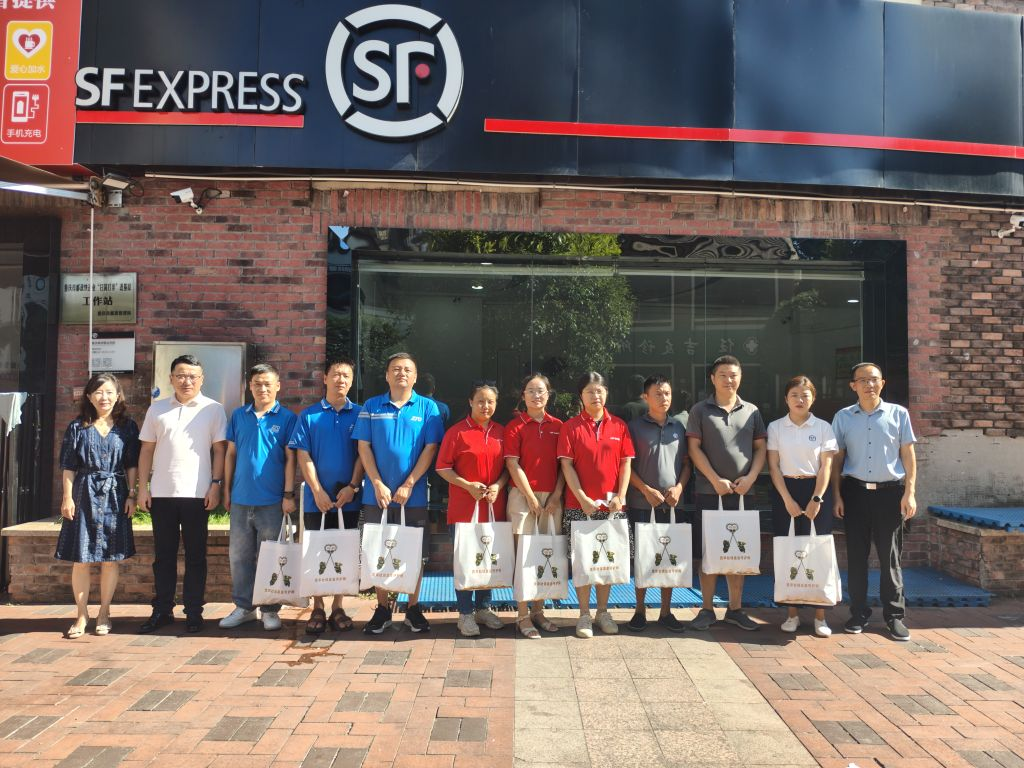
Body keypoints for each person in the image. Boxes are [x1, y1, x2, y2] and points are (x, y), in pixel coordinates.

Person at [355, 352, 444, 634]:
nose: (401, 373)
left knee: (414, 553)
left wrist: (409, 484)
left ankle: (412, 608)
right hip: (376, 495)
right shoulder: (371, 405)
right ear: (386, 375)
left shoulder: (428, 408)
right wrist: (377, 483)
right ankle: (382, 609)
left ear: (415, 377)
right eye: (395, 369)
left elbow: (431, 448)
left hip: (413, 496)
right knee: (377, 551)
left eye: (407, 369)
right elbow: (363, 447)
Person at [137, 355, 227, 634]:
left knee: (196, 557)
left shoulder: (213, 409)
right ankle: (162, 610)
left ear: (201, 379)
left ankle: (194, 611)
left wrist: (216, 484)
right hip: (161, 493)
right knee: (163, 556)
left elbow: (220, 450)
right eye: (181, 375)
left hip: (198, 494)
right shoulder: (157, 409)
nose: (186, 381)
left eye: (192, 376)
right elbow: (147, 449)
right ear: (171, 378)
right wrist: (142, 488)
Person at [831, 362, 917, 641]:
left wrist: (910, 492)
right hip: (854, 493)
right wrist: (836, 495)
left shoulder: (898, 414)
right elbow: (837, 460)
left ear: (883, 383)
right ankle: (858, 613)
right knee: (856, 557)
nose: (869, 384)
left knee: (890, 558)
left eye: (874, 379)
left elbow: (908, 456)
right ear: (852, 385)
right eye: (863, 380)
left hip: (890, 494)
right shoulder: (843, 417)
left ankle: (894, 616)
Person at [55, 373, 140, 638]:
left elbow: (132, 464)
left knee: (110, 559)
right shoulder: (77, 427)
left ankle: (104, 612)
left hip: (116, 495)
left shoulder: (127, 427)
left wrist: (132, 495)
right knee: (81, 559)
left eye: (109, 392)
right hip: (84, 494)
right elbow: (68, 466)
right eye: (99, 392)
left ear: (118, 396)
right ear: (89, 397)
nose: (104, 397)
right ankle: (81, 614)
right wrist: (67, 497)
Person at [686, 355, 767, 632]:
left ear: (740, 378)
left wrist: (751, 478)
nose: (728, 380)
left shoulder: (752, 411)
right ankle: (707, 609)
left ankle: (735, 609)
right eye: (722, 375)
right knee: (708, 552)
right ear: (712, 378)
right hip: (709, 492)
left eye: (733, 375)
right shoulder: (699, 410)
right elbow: (694, 449)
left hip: (744, 493)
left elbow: (760, 449)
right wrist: (714, 479)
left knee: (738, 553)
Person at [288, 357, 364, 634]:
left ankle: (338, 606)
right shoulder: (309, 415)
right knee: (316, 553)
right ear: (325, 378)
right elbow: (303, 455)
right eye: (336, 374)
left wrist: (352, 486)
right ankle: (318, 606)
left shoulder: (361, 415)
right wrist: (317, 490)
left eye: (346, 376)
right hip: (316, 500)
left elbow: (363, 453)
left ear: (351, 381)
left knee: (344, 552)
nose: (340, 380)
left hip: (348, 498)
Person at [219, 363, 297, 632]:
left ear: (277, 386)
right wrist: (227, 490)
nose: (262, 388)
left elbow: (290, 459)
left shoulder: (287, 418)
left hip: (272, 501)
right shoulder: (238, 415)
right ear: (249, 387)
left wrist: (288, 494)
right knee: (239, 557)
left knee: (272, 557)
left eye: (267, 384)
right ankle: (244, 607)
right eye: (257, 384)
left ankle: (270, 609)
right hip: (241, 499)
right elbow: (230, 454)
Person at [557, 371, 635, 639]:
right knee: (582, 562)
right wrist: (582, 498)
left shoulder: (619, 426)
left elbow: (625, 464)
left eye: (599, 390)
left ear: (607, 393)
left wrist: (621, 496)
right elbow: (567, 466)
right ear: (581, 396)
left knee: (606, 561)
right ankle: (583, 614)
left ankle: (603, 611)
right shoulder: (570, 427)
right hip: (579, 506)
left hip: (612, 507)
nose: (595, 395)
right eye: (590, 391)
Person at [436, 381, 510, 637]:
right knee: (465, 560)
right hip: (464, 509)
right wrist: (467, 485)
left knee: (489, 558)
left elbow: (508, 469)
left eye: (490, 401)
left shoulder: (502, 432)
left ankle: (483, 608)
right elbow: (443, 468)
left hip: (493, 507)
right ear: (470, 402)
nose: (485, 406)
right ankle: (465, 613)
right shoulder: (457, 433)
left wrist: (498, 485)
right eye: (480, 401)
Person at [766, 375, 838, 637]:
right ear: (786, 399)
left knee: (818, 550)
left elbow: (826, 466)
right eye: (794, 395)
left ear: (813, 398)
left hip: (816, 490)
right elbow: (773, 466)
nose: (799, 400)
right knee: (788, 550)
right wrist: (787, 499)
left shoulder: (823, 427)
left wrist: (817, 498)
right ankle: (792, 614)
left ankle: (820, 616)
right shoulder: (776, 427)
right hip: (785, 490)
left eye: (805, 395)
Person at [626, 375, 691, 633]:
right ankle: (639, 610)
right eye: (658, 394)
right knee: (643, 558)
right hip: (642, 502)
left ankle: (666, 611)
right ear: (645, 397)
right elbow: (625, 467)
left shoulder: (680, 427)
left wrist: (679, 488)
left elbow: (687, 464)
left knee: (669, 557)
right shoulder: (634, 427)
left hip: (673, 504)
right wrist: (645, 489)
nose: (664, 398)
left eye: (667, 393)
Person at [505, 373, 564, 639]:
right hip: (522, 496)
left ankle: (539, 611)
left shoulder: (559, 426)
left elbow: (565, 465)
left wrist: (556, 495)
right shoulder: (514, 426)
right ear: (523, 395)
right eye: (530, 390)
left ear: (548, 395)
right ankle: (522, 615)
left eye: (540, 390)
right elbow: (512, 463)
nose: (536, 395)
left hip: (552, 499)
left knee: (545, 553)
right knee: (524, 557)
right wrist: (529, 496)